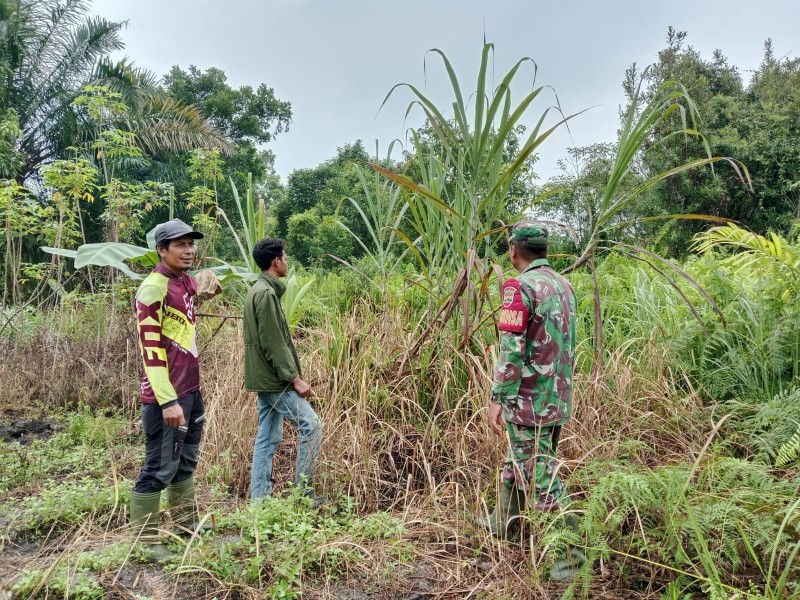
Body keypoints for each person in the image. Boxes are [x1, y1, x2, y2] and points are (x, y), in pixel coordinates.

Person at [483, 221, 583, 577]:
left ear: (514, 249)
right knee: (519, 459)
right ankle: (503, 521)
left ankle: (570, 557)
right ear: (544, 250)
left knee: (540, 475)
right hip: (557, 397)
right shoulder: (563, 284)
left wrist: (498, 396)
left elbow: (511, 348)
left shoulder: (518, 287)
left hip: (528, 401)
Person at [130, 219, 210, 563]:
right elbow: (150, 351)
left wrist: (209, 285)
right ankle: (146, 543)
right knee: (159, 467)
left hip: (191, 389)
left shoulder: (182, 281)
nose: (188, 250)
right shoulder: (152, 289)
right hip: (167, 398)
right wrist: (168, 401)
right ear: (161, 250)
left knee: (186, 461)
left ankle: (186, 524)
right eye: (180, 245)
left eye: (191, 244)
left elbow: (197, 286)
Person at [244, 237, 322, 503]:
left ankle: (259, 501)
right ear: (276, 261)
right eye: (285, 258)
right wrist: (294, 378)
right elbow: (273, 342)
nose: (287, 262)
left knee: (267, 437)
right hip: (274, 379)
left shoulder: (258, 290)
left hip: (264, 377)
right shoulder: (265, 294)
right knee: (311, 425)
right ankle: (303, 495)